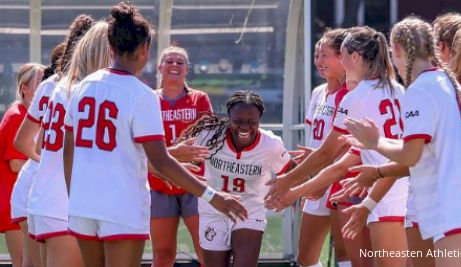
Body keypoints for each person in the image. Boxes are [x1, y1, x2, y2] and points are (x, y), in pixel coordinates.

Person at [63, 3, 247, 267]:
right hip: (121, 206)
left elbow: (68, 151)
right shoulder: (142, 95)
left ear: (110, 47)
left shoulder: (81, 88)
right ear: (145, 50)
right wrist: (213, 196)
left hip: (83, 205)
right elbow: (161, 161)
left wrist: (76, 196)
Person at [266, 26, 409, 267]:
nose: (340, 61)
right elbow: (345, 160)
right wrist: (295, 189)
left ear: (355, 57)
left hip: (388, 193)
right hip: (397, 187)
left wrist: (288, 181)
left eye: (341, 55)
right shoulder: (397, 89)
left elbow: (326, 153)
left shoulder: (354, 97)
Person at [340, 17, 461, 267]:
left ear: (398, 49)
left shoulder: (420, 89)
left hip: (455, 208)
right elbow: (423, 153)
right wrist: (376, 153)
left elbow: (411, 155)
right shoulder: (449, 82)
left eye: (392, 52)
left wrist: (376, 142)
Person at [178, 90, 294, 267]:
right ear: (229, 118)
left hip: (249, 211)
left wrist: (291, 191)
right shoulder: (209, 138)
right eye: (238, 121)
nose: (245, 127)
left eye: (251, 122)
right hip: (213, 210)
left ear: (260, 120)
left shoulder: (271, 144)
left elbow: (292, 171)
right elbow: (176, 161)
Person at [28, 21, 111, 267]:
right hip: (64, 205)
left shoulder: (59, 88)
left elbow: (39, 146)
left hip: (44, 200)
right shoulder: (87, 91)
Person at [14, 14, 94, 267]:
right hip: (62, 199)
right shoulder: (86, 87)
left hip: (38, 190)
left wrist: (47, 160)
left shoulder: (50, 85)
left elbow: (31, 143)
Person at [295, 30, 361, 267]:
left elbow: (348, 145)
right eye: (316, 55)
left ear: (343, 58)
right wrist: (309, 172)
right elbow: (316, 140)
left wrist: (319, 164)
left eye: (325, 55)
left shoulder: (353, 95)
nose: (319, 61)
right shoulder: (318, 93)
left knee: (345, 251)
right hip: (319, 176)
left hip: (340, 177)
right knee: (305, 257)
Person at [149, 46, 211, 267]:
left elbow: (208, 138)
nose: (174, 65)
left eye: (180, 62)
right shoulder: (149, 99)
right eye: (169, 61)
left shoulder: (199, 99)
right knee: (163, 253)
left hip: (195, 182)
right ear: (160, 67)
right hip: (159, 182)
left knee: (206, 249)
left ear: (187, 69)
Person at [10, 42, 65, 267]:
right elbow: (22, 150)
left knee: (31, 263)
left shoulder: (53, 88)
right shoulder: (59, 89)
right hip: (38, 188)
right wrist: (49, 162)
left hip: (34, 189)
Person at [0, 63, 44, 267]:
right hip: (13, 203)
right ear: (24, 88)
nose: (45, 87)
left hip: (22, 203)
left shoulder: (28, 115)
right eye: (39, 82)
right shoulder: (17, 115)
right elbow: (16, 163)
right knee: (23, 263)